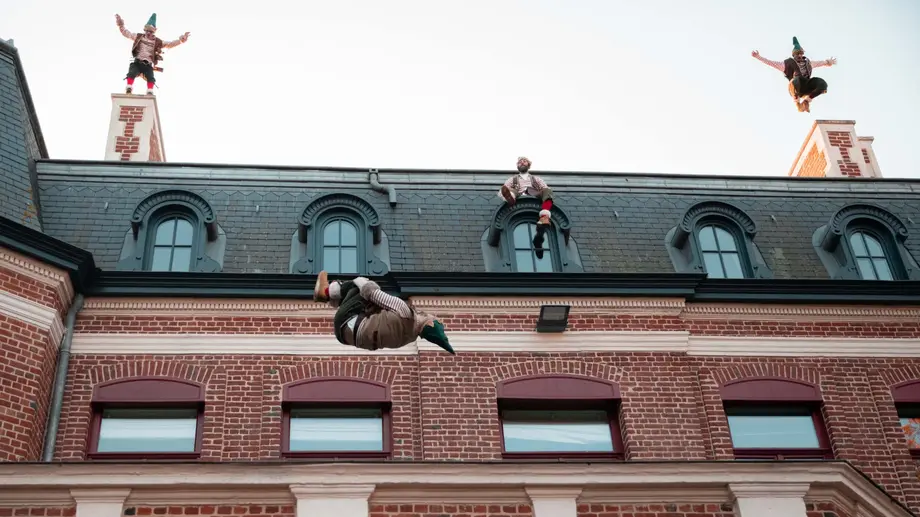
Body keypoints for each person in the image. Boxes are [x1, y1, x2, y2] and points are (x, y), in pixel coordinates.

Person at [313, 271, 455, 354]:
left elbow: (371, 292)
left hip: (347, 320)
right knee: (373, 307)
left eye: (431, 316)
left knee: (361, 287)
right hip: (344, 337)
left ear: (428, 321)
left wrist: (361, 281)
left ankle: (326, 292)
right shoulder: (406, 339)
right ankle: (331, 298)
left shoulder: (404, 311)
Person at [752, 37, 837, 112]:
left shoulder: (808, 63)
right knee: (797, 78)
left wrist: (828, 62)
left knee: (822, 83)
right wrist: (758, 57)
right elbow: (771, 63)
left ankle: (806, 101)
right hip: (794, 87)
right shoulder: (786, 64)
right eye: (797, 54)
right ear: (794, 55)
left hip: (806, 86)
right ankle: (797, 103)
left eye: (801, 54)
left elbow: (820, 63)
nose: (800, 56)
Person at [115, 13, 191, 95]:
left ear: (153, 32)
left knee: (151, 78)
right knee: (131, 73)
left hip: (148, 65)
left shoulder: (157, 42)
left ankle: (150, 91)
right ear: (145, 30)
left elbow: (170, 44)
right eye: (147, 31)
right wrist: (121, 25)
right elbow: (127, 33)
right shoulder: (138, 37)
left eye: (150, 31)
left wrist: (180, 41)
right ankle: (129, 88)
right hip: (137, 62)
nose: (148, 33)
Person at [499, 157, 556, 258]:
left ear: (528, 165)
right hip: (519, 195)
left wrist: (543, 192)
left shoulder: (535, 179)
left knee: (548, 191)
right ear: (517, 166)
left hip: (533, 194)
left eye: (524, 161)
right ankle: (510, 198)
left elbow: (544, 188)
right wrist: (506, 193)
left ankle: (544, 216)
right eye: (519, 162)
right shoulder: (513, 179)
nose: (522, 163)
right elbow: (503, 190)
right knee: (511, 190)